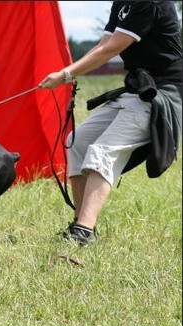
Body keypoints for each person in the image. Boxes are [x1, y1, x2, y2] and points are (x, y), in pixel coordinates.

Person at [39, 1, 182, 245]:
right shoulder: (122, 2)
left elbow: (112, 49)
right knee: (76, 141)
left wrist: (66, 74)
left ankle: (83, 232)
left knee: (103, 150)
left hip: (163, 92)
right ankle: (79, 224)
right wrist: (70, 71)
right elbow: (104, 44)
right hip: (137, 88)